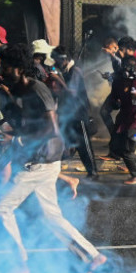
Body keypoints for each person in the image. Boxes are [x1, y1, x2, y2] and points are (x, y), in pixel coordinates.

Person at [0, 43, 106, 273]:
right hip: (42, 162)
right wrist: (6, 104)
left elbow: (51, 129)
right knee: (50, 215)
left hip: (39, 162)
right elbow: (24, 123)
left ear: (19, 69)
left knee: (2, 209)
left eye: (6, 67)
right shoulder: (21, 91)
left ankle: (20, 263)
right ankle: (92, 256)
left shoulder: (37, 90)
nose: (1, 71)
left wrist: (23, 141)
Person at [51, 46, 99, 180]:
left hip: (79, 112)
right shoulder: (65, 70)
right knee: (69, 142)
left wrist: (57, 78)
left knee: (84, 144)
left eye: (57, 60)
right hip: (69, 112)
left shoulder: (75, 71)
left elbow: (71, 92)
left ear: (64, 59)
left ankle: (93, 172)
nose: (56, 63)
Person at [109, 55, 136, 185]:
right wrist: (116, 103)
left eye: (131, 67)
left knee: (128, 150)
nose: (128, 70)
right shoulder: (118, 81)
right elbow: (114, 99)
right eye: (126, 66)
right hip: (123, 119)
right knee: (115, 147)